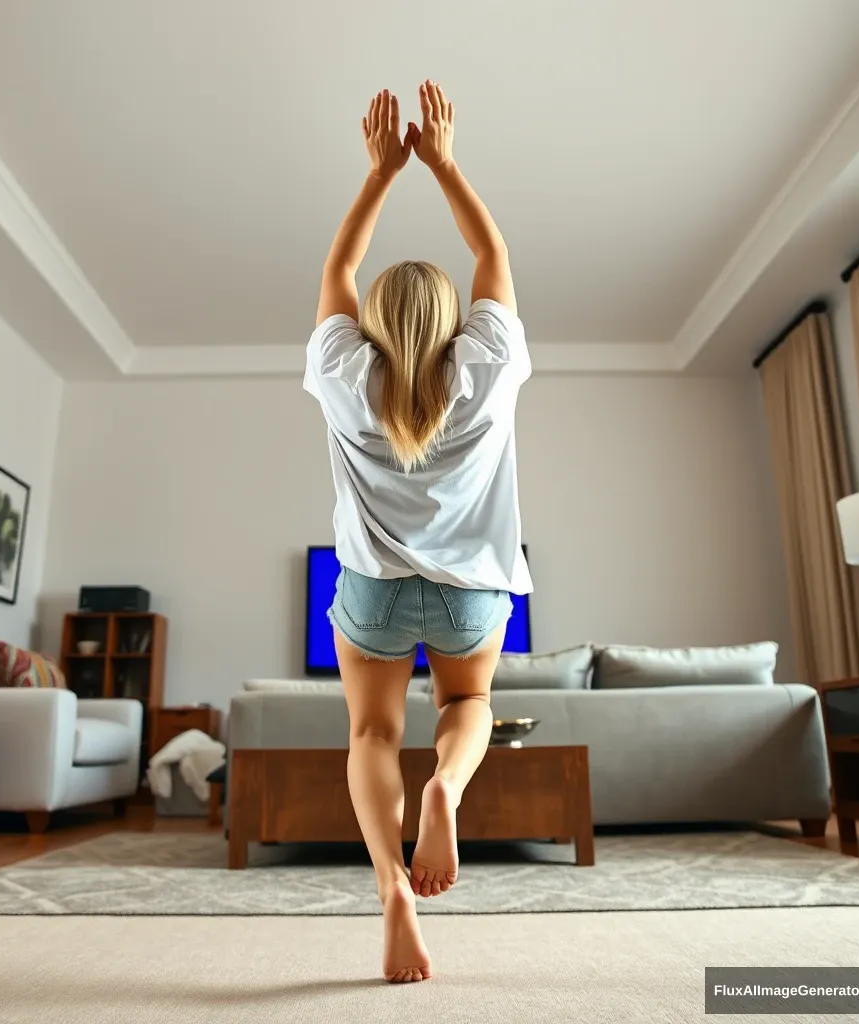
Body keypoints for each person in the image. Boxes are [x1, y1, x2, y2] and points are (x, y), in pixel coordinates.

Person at [304, 81, 533, 984]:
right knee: (465, 708)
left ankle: (391, 883)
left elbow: (337, 273)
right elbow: (491, 248)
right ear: (454, 321)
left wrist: (379, 175)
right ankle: (447, 787)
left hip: (373, 589)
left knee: (369, 734)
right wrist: (442, 160)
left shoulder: (342, 371)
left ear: (371, 328)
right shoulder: (488, 365)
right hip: (476, 590)